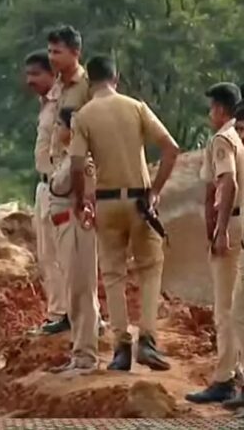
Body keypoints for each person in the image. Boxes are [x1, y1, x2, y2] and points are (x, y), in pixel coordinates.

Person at [70, 55, 179, 372]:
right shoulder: (136, 107)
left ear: (90, 82)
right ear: (116, 77)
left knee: (113, 274)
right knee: (150, 268)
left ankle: (121, 349)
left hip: (105, 203)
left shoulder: (84, 116)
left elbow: (77, 165)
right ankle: (147, 340)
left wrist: (82, 201)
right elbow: (171, 149)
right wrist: (155, 190)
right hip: (139, 202)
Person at [186, 83, 244, 404]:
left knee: (226, 309)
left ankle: (225, 378)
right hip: (239, 223)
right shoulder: (240, 138)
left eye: (212, 108)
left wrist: (218, 228)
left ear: (221, 109)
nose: (210, 115)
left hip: (232, 223)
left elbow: (228, 181)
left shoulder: (222, 139)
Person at [48, 107, 100, 372]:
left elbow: (88, 195)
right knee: (73, 290)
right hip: (64, 228)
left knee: (82, 290)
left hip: (77, 227)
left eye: (60, 125)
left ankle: (86, 356)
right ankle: (78, 351)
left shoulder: (83, 162)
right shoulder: (66, 159)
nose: (56, 130)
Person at [25, 50, 70, 335]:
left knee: (66, 254)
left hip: (60, 185)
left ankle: (71, 314)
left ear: (52, 75)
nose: (30, 80)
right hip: (45, 185)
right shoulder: (45, 105)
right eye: (27, 74)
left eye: (36, 74)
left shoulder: (64, 102)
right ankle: (59, 312)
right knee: (47, 255)